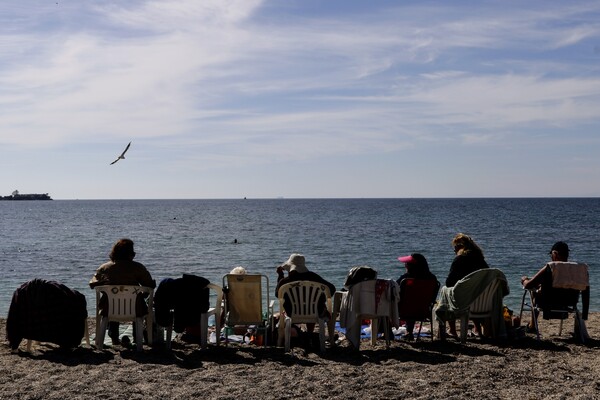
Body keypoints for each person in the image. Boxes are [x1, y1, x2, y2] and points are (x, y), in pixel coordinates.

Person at [89, 238, 156, 345]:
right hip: (135, 309)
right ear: (131, 253)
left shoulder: (105, 268)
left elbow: (92, 284)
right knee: (137, 300)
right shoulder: (138, 267)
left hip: (109, 309)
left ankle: (114, 336)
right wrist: (143, 295)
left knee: (112, 299)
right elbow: (149, 285)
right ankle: (136, 336)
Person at [520, 241, 589, 330]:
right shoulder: (580, 268)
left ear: (555, 254)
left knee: (534, 292)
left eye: (551, 255)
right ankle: (532, 325)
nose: (551, 258)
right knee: (539, 289)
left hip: (547, 303)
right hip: (569, 302)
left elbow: (529, 285)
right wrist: (585, 312)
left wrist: (524, 280)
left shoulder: (552, 266)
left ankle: (533, 326)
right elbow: (585, 289)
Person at [275, 253, 336, 334]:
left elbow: (277, 294)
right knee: (313, 305)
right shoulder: (313, 276)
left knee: (295, 305)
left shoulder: (285, 281)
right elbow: (331, 289)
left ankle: (295, 331)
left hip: (291, 312)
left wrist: (280, 276)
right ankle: (309, 333)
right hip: (316, 312)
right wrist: (321, 298)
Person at [445, 233, 489, 338]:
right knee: (472, 292)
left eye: (455, 247)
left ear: (461, 247)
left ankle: (452, 330)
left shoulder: (459, 259)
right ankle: (478, 329)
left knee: (446, 291)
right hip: (482, 301)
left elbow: (449, 282)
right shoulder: (481, 260)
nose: (454, 250)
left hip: (465, 302)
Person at [397, 253, 438, 340]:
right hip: (423, 311)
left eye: (407, 263)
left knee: (404, 302)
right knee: (414, 301)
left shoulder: (405, 279)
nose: (405, 265)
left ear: (411, 266)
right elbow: (433, 297)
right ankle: (409, 332)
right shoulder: (432, 279)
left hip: (403, 311)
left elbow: (395, 291)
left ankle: (387, 332)